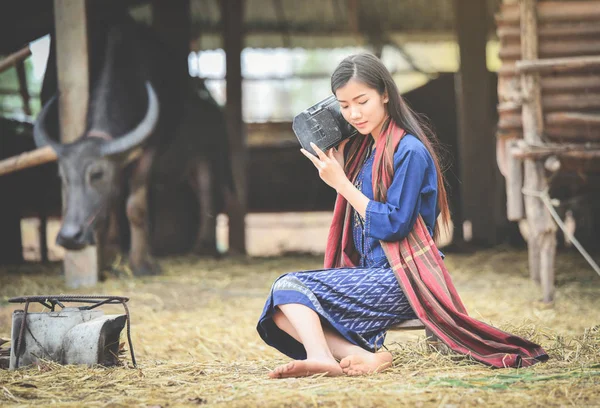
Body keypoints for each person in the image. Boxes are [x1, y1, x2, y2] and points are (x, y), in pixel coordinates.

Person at [256, 53, 547, 379]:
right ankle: (359, 355)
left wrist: (342, 185)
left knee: (289, 286)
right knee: (281, 310)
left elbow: (395, 225)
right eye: (344, 105)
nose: (354, 113)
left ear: (385, 94)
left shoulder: (409, 151)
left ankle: (324, 357)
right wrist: (343, 176)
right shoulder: (365, 152)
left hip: (405, 280)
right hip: (372, 276)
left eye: (362, 101)